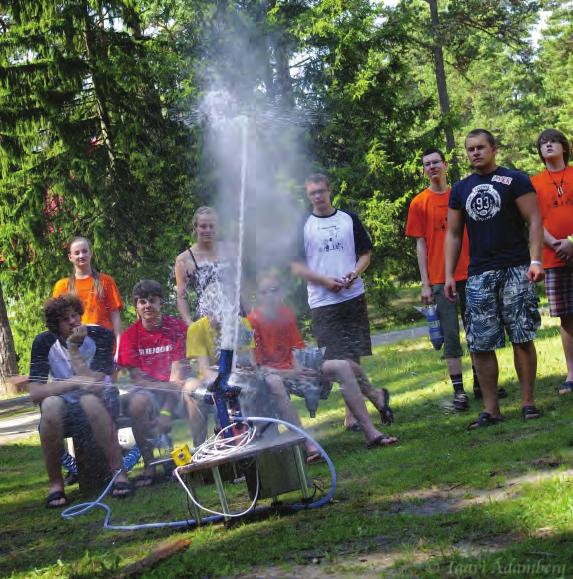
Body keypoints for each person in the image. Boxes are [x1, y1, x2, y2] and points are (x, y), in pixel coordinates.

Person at [444, 129, 544, 429]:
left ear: (493, 149)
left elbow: (535, 219)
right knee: (480, 344)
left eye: (480, 147)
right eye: (470, 149)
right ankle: (492, 410)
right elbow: (452, 233)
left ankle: (528, 403)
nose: (475, 153)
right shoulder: (461, 189)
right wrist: (449, 274)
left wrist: (536, 259)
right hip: (478, 274)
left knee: (522, 337)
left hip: (515, 267)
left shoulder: (515, 180)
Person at [291, 173, 393, 431]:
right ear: (308, 195)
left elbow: (366, 254)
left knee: (353, 355)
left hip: (352, 295)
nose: (318, 197)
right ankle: (376, 396)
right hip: (322, 301)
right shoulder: (302, 224)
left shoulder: (348, 218)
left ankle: (352, 416)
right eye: (313, 193)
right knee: (336, 360)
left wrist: (354, 273)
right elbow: (296, 267)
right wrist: (325, 281)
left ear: (330, 191)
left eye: (321, 191)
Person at [248, 273, 398, 449]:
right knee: (274, 382)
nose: (269, 296)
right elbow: (256, 367)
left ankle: (371, 433)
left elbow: (297, 349)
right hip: (275, 375)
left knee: (343, 366)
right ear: (257, 296)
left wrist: (301, 366)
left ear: (280, 292)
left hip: (297, 369)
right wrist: (291, 372)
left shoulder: (286, 314)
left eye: (273, 290)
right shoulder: (252, 321)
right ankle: (305, 444)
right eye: (263, 292)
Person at [406, 148, 505, 410]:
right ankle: (459, 391)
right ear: (424, 170)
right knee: (451, 336)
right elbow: (421, 245)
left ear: (445, 164)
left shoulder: (461, 194)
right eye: (427, 164)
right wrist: (425, 282)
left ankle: (481, 383)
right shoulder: (419, 203)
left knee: (478, 331)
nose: (432, 167)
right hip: (440, 278)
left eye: (436, 162)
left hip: (470, 272)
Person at [29, 295, 130, 508]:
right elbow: (35, 393)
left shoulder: (101, 335)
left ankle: (119, 473)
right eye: (66, 319)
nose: (74, 321)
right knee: (49, 405)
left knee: (89, 401)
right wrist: (74, 382)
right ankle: (56, 484)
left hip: (101, 399)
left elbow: (95, 386)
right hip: (66, 403)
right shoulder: (43, 342)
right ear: (56, 326)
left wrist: (74, 350)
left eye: (75, 315)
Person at [117, 280, 188, 486]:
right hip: (148, 391)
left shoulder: (175, 328)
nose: (147, 305)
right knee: (137, 402)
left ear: (161, 303)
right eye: (142, 301)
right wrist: (164, 386)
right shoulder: (130, 336)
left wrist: (165, 413)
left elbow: (177, 377)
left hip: (176, 390)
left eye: (153, 300)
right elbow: (138, 378)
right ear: (136, 307)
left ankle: (199, 458)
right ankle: (150, 464)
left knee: (193, 395)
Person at [183, 285, 255, 446]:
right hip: (210, 381)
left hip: (239, 377)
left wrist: (240, 373)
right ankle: (200, 447)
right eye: (210, 311)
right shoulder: (196, 329)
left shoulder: (241, 324)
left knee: (255, 385)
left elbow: (249, 363)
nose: (214, 316)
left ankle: (261, 437)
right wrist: (225, 378)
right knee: (190, 389)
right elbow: (205, 371)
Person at [531, 129, 573, 394]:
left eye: (553, 141)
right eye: (543, 143)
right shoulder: (534, 182)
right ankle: (571, 373)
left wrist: (572, 240)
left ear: (564, 147)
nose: (548, 145)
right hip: (552, 256)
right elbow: (533, 220)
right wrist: (556, 244)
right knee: (567, 318)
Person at [53, 236, 123, 367]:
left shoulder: (106, 281)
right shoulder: (62, 286)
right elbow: (57, 322)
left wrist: (120, 347)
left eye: (85, 251)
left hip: (105, 348)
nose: (81, 255)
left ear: (91, 253)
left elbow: (115, 316)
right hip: (75, 350)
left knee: (107, 385)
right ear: (70, 257)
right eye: (77, 253)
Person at [174, 206, 235, 325]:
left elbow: (242, 286)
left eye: (212, 226)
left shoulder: (230, 251)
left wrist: (249, 316)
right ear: (195, 228)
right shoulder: (184, 259)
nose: (208, 230)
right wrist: (189, 322)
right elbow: (181, 297)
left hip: (234, 316)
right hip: (206, 320)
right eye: (203, 226)